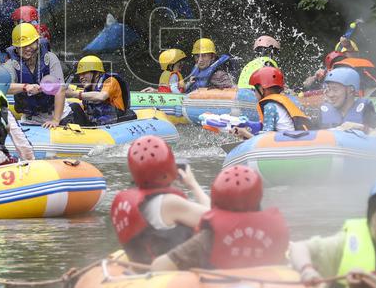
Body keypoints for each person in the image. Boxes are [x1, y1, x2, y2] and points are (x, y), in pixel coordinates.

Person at [149, 165, 290, 271]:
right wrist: (193, 184)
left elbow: (158, 267)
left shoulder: (209, 237)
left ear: (217, 197)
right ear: (258, 197)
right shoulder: (276, 232)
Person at [110, 136, 210, 264]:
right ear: (169, 166)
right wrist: (193, 184)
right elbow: (214, 218)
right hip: (169, 273)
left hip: (141, 266)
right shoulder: (169, 203)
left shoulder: (125, 200)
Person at [3, 23, 66, 128]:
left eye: (31, 44)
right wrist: (25, 87)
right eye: (23, 46)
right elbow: (3, 86)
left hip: (58, 114)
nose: (27, 48)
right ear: (16, 49)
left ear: (37, 42)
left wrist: (55, 120)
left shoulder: (50, 58)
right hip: (31, 118)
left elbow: (61, 89)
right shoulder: (11, 64)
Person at [233, 67, 309, 139]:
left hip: (287, 143)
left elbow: (266, 138)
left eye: (255, 90)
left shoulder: (270, 106)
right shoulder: (280, 102)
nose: (254, 93)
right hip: (294, 139)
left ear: (262, 89)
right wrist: (245, 126)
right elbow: (264, 128)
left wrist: (245, 134)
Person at [64, 55, 136, 126]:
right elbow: (88, 108)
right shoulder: (89, 89)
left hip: (114, 122)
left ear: (97, 73)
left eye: (84, 73)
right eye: (79, 75)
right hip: (97, 123)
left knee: (74, 106)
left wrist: (74, 94)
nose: (81, 77)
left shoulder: (110, 81)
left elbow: (101, 96)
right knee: (73, 107)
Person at [317, 67, 376, 133]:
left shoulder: (365, 110)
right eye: (328, 89)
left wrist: (359, 127)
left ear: (350, 90)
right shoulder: (323, 111)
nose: (330, 95)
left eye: (335, 90)